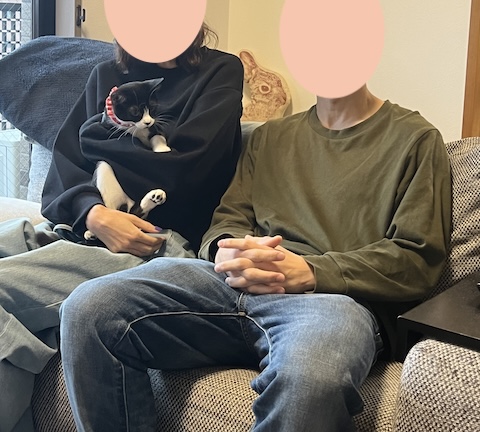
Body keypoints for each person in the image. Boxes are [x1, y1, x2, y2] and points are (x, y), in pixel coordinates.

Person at [60, 85, 452, 432]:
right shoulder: (269, 137)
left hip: (332, 301)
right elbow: (228, 219)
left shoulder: (415, 138)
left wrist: (312, 271)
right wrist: (227, 248)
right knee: (89, 308)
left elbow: (418, 258)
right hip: (231, 284)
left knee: (311, 378)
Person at [0, 22, 244, 432]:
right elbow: (63, 170)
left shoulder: (220, 71)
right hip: (86, 229)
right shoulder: (107, 76)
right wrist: (93, 213)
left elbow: (186, 170)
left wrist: (95, 140)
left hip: (156, 242)